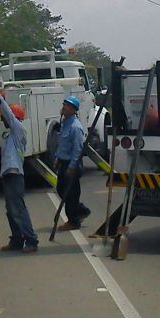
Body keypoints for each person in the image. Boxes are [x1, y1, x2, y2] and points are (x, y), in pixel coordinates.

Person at [0, 85, 38, 253]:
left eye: (6, 117)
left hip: (15, 174)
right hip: (9, 174)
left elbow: (8, 115)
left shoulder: (18, 128)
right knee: (11, 211)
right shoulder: (11, 135)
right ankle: (17, 240)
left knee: (18, 209)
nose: (3, 119)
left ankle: (31, 240)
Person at [54, 96, 90, 231]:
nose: (64, 107)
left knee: (71, 193)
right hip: (63, 162)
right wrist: (57, 158)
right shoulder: (65, 123)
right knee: (61, 190)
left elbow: (77, 150)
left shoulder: (75, 127)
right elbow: (62, 144)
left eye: (67, 106)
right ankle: (81, 210)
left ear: (74, 110)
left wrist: (72, 167)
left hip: (72, 164)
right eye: (64, 104)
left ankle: (73, 221)